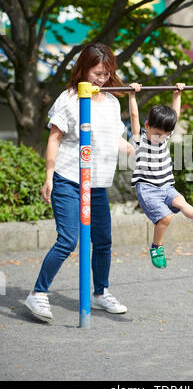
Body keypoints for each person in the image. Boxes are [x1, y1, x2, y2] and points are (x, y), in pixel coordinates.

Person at [25, 43, 137, 322]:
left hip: (97, 183)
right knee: (68, 240)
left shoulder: (112, 101)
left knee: (103, 241)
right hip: (68, 179)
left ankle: (100, 293)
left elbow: (116, 140)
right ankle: (38, 293)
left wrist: (142, 152)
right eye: (97, 73)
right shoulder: (69, 99)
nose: (101, 79)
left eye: (106, 73)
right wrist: (49, 176)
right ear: (84, 69)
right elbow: (54, 138)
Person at [128, 83, 193, 269]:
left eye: (165, 134)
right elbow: (134, 116)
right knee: (166, 218)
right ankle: (156, 247)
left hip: (166, 186)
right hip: (148, 189)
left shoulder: (164, 136)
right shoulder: (140, 139)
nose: (161, 138)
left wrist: (177, 95)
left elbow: (175, 116)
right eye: (158, 134)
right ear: (147, 126)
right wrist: (131, 96)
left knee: (182, 202)